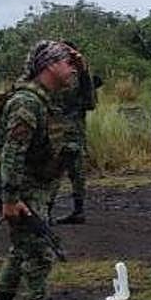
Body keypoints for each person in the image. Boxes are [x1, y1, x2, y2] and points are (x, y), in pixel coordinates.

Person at [0, 40, 77, 300]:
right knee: (38, 255)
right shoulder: (26, 103)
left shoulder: (45, 98)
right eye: (66, 62)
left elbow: (84, 95)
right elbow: (12, 153)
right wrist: (10, 198)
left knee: (20, 253)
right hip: (23, 189)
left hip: (36, 186)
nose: (71, 67)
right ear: (49, 66)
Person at [50, 40, 97, 225]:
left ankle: (72, 210)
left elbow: (90, 103)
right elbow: (90, 103)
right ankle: (76, 210)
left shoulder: (74, 76)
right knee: (70, 174)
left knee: (61, 173)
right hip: (67, 131)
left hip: (66, 132)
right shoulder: (78, 76)